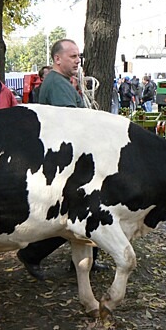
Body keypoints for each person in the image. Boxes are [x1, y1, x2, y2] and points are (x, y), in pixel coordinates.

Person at [17, 38, 107, 281]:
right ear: (57, 59)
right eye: (73, 56)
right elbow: (72, 124)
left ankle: (82, 260)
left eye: (78, 56)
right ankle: (32, 254)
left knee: (77, 215)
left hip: (69, 160)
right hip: (68, 162)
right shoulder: (57, 85)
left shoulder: (62, 82)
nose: (78, 61)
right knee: (72, 216)